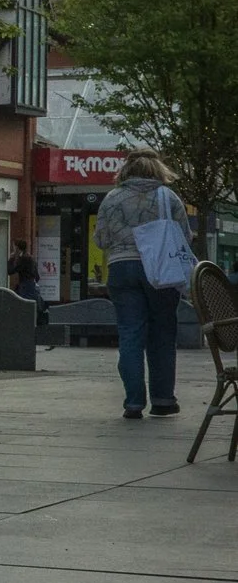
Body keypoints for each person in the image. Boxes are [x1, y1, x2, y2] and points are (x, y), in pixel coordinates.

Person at [93, 152, 187, 420]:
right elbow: (184, 236)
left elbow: (100, 239)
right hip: (159, 270)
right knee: (163, 334)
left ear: (127, 171)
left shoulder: (112, 198)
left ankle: (133, 403)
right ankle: (163, 400)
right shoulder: (168, 197)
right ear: (158, 170)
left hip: (122, 269)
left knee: (130, 334)